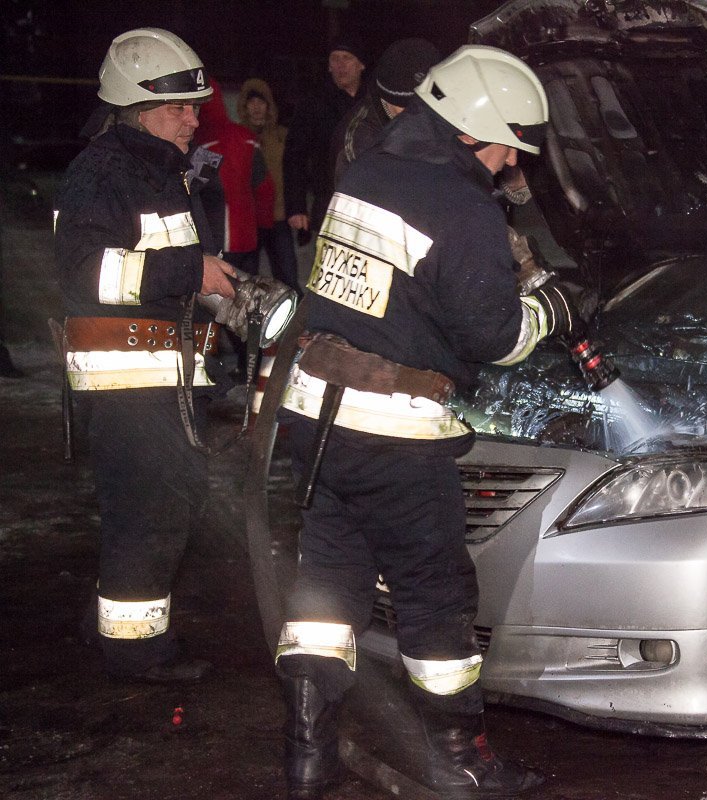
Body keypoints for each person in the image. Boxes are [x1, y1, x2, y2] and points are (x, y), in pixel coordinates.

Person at [272, 45, 578, 799]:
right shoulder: (461, 206)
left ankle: (307, 756)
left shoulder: (370, 168)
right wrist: (552, 309)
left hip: (316, 419)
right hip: (396, 434)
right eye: (509, 143)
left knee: (326, 590)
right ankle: (462, 761)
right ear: (474, 128)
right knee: (435, 595)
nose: (512, 161)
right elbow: (494, 337)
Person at [53, 28, 239, 683]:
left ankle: (104, 622)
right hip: (123, 378)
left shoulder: (159, 171)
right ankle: (136, 651)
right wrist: (189, 271)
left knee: (167, 499)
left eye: (195, 106)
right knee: (152, 507)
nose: (194, 118)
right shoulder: (102, 173)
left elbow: (173, 277)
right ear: (137, 110)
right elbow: (83, 273)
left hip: (162, 375)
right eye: (180, 109)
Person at [283, 35, 367, 245]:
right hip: (329, 201)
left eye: (346, 58)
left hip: (368, 202)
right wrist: (296, 207)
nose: (340, 65)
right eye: (335, 59)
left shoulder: (373, 102)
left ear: (361, 65)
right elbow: (295, 156)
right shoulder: (314, 103)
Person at [194, 77, 275, 273]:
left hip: (219, 239)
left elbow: (195, 190)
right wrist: (263, 225)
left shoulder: (205, 143)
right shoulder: (245, 136)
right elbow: (264, 187)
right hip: (248, 238)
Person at [332, 37, 441, 183]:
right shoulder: (359, 139)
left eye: (425, 104)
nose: (417, 113)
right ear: (387, 100)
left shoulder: (441, 103)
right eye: (407, 106)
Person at [239, 77, 301, 291]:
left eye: (261, 102)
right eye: (251, 102)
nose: (256, 108)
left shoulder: (282, 136)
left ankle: (294, 321)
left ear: (269, 106)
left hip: (278, 219)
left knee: (288, 279)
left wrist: (297, 209)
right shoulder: (238, 137)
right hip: (248, 222)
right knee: (247, 282)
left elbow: (295, 175)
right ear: (244, 106)